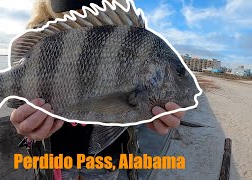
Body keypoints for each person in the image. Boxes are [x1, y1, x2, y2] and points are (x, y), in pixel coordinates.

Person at [10, 0, 185, 179]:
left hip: (108, 162)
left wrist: (149, 117)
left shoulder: (130, 34)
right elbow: (23, 98)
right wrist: (27, 126)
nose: (81, 9)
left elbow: (125, 107)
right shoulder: (41, 38)